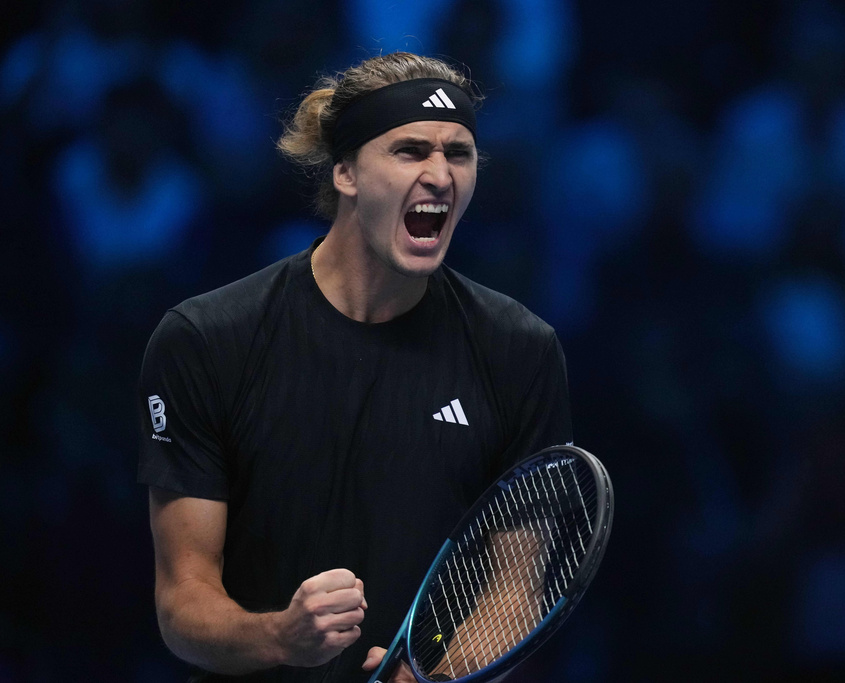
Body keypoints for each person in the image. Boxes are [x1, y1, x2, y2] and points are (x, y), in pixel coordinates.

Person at [137, 52, 573, 683]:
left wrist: (437, 676)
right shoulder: (206, 340)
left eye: (459, 153)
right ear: (344, 171)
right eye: (410, 150)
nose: (440, 175)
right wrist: (281, 637)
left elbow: (514, 592)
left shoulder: (520, 352)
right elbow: (183, 604)